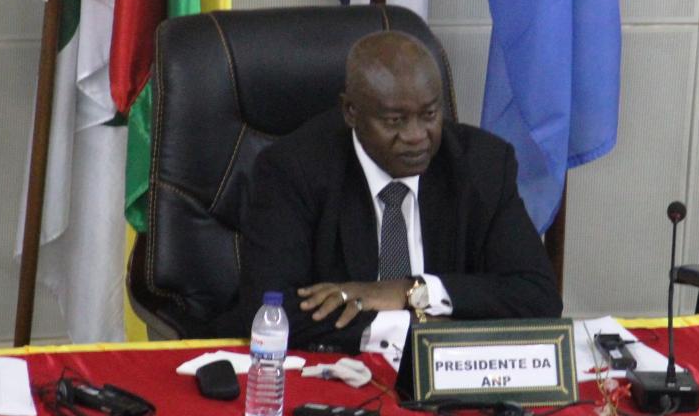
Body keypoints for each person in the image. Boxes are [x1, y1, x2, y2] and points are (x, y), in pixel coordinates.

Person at [226, 30, 562, 359]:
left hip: (446, 376)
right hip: (339, 371)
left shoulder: (482, 165)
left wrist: (411, 291)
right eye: (394, 121)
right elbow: (269, 313)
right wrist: (416, 328)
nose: (416, 136)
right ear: (351, 112)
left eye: (429, 115)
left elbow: (538, 297)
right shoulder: (292, 170)